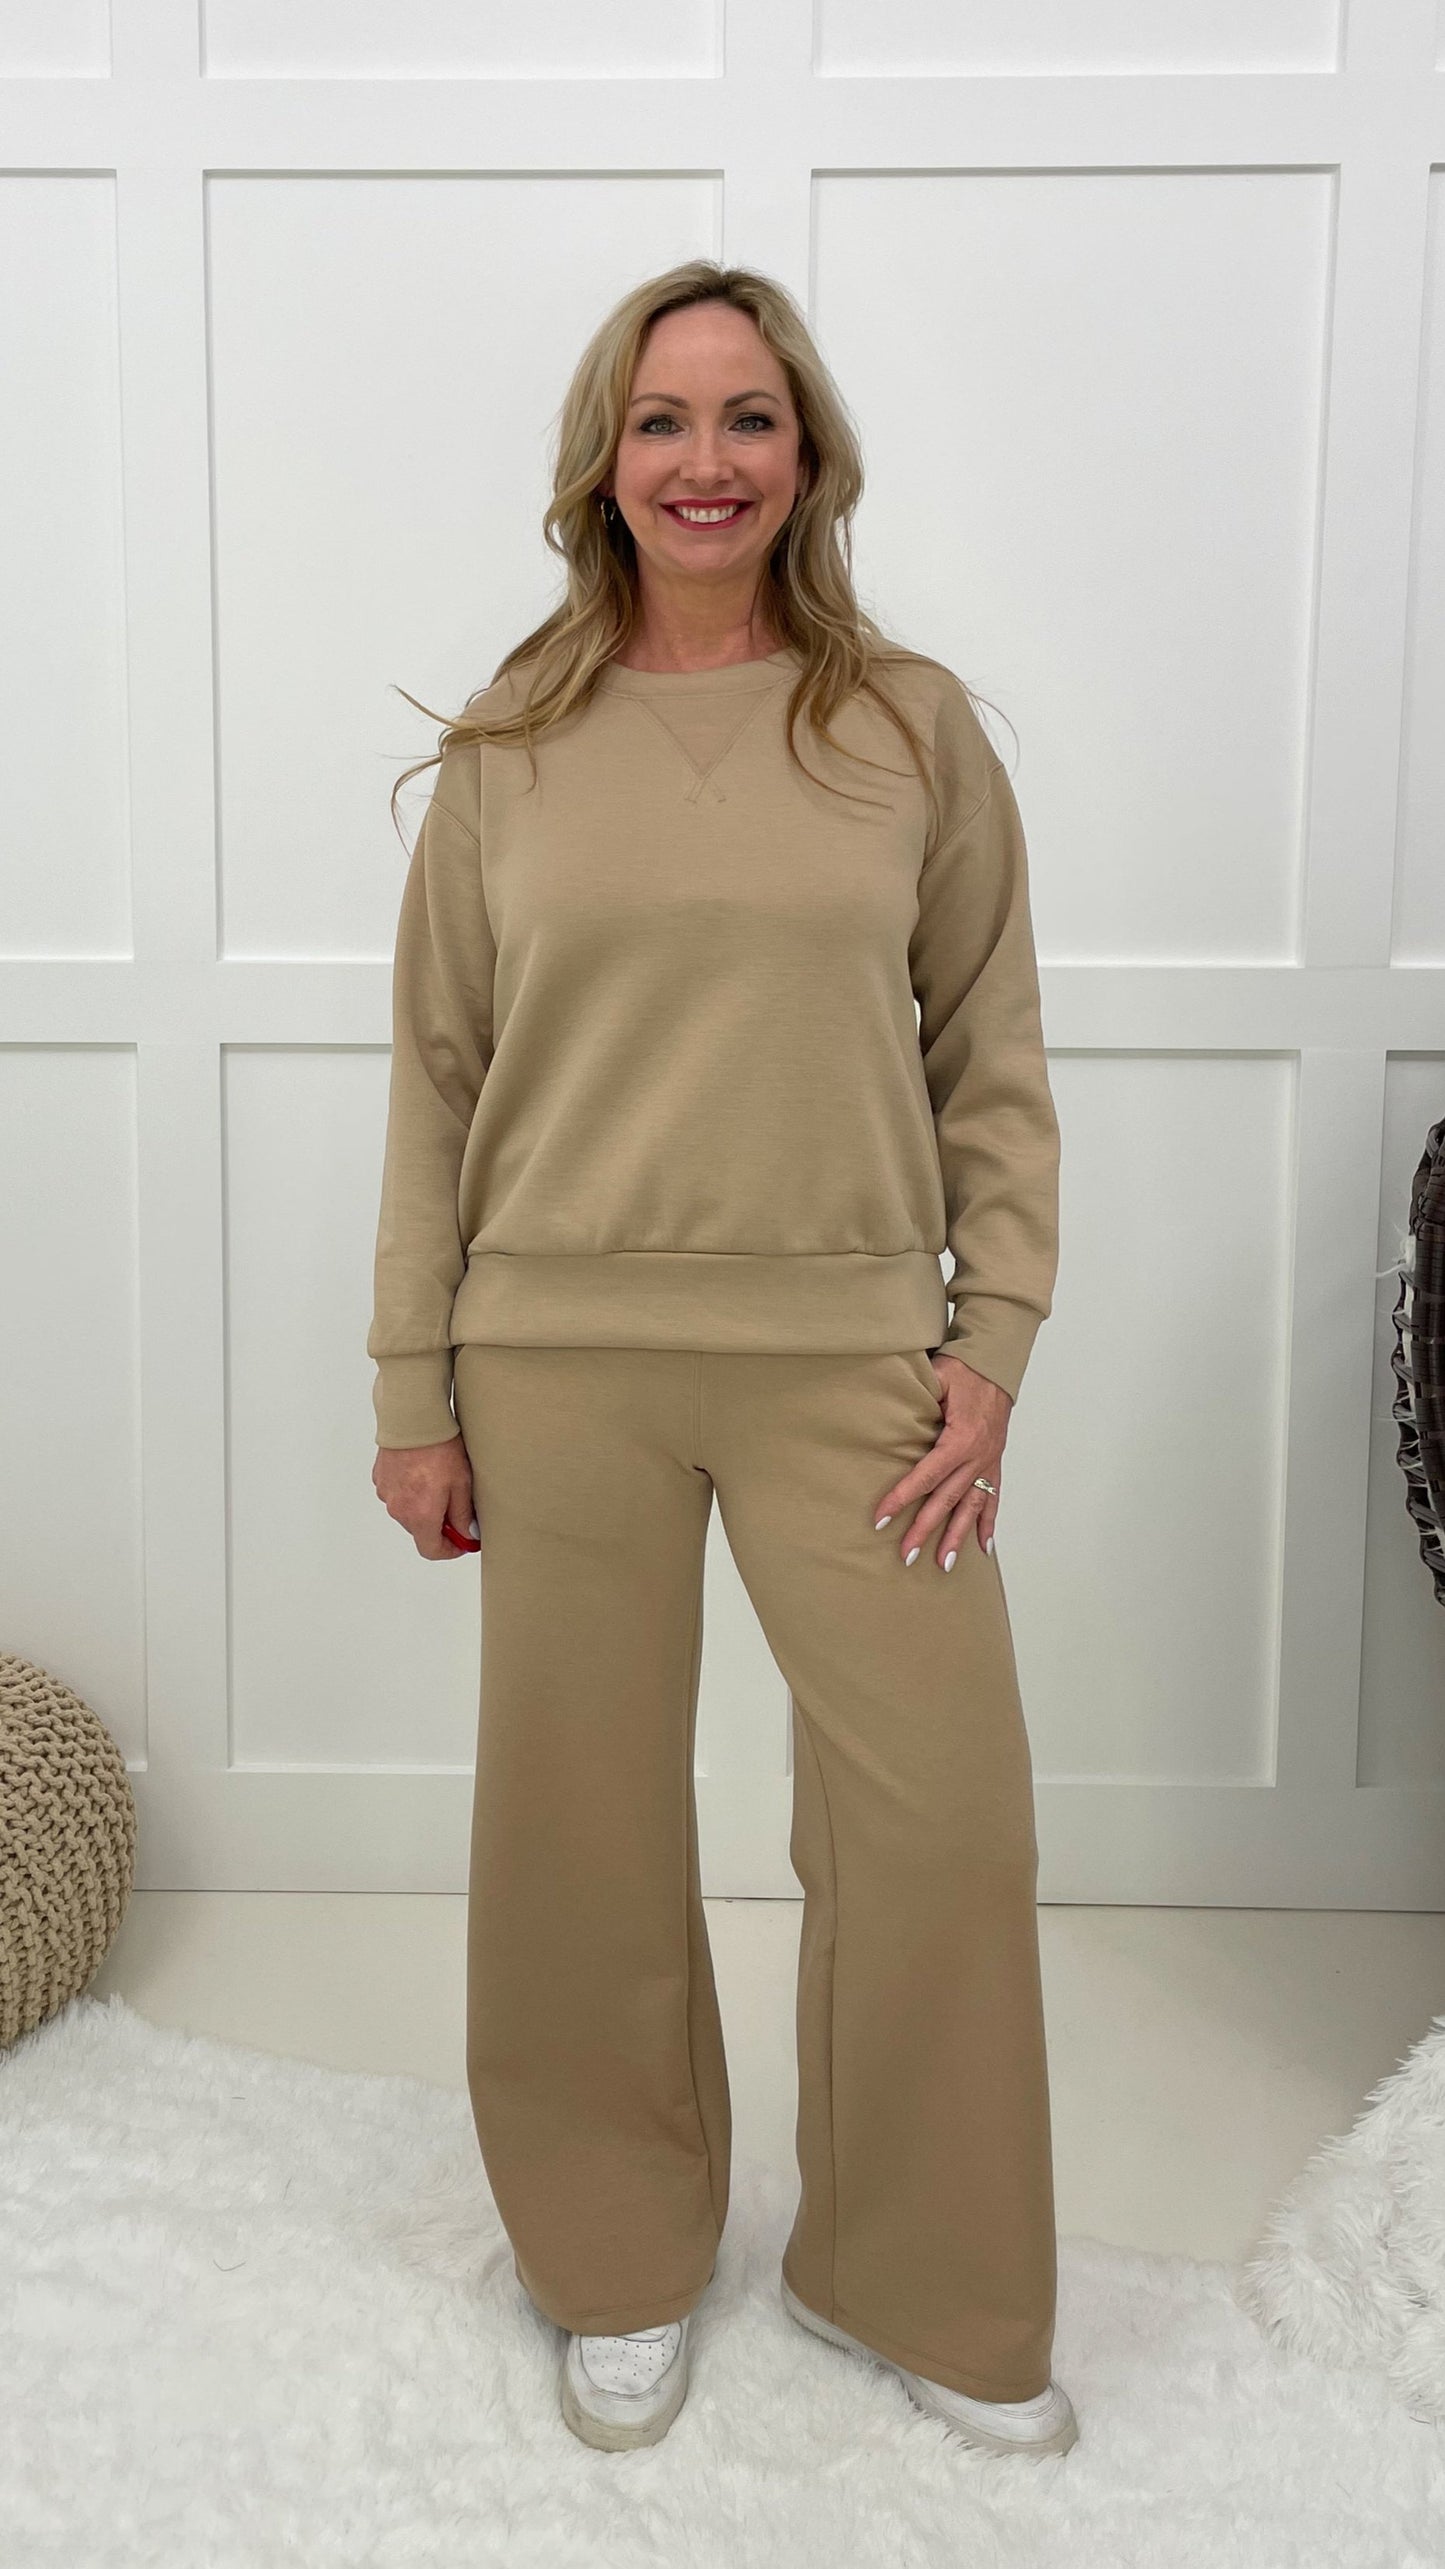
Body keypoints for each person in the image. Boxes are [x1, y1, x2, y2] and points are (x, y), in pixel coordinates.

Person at [367, 259, 1077, 2463]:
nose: (705, 460)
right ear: (605, 460)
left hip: (852, 1359)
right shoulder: (510, 747)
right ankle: (612, 2251)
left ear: (807, 455)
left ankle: (921, 2273)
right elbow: (436, 1081)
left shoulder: (911, 730)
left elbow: (991, 1059)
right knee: (577, 1829)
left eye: (748, 417)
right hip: (554, 1358)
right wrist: (412, 1386)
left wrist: (994, 1338)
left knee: (942, 1822)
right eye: (662, 420)